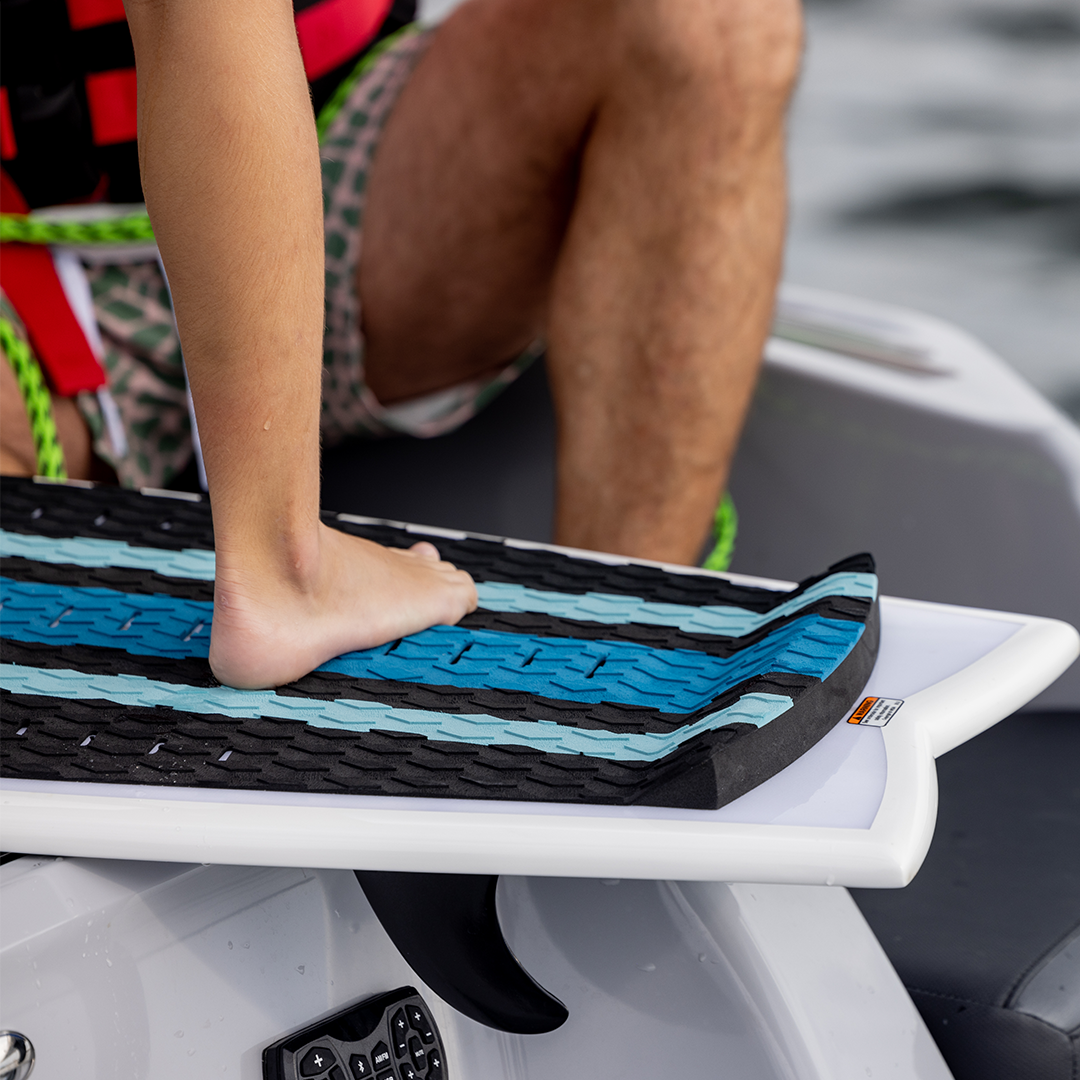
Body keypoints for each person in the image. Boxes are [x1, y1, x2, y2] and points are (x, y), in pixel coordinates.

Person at [0, 0, 802, 689]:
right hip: (18, 286)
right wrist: (280, 565)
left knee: (712, 21)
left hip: (341, 162)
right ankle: (282, 570)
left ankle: (625, 656)